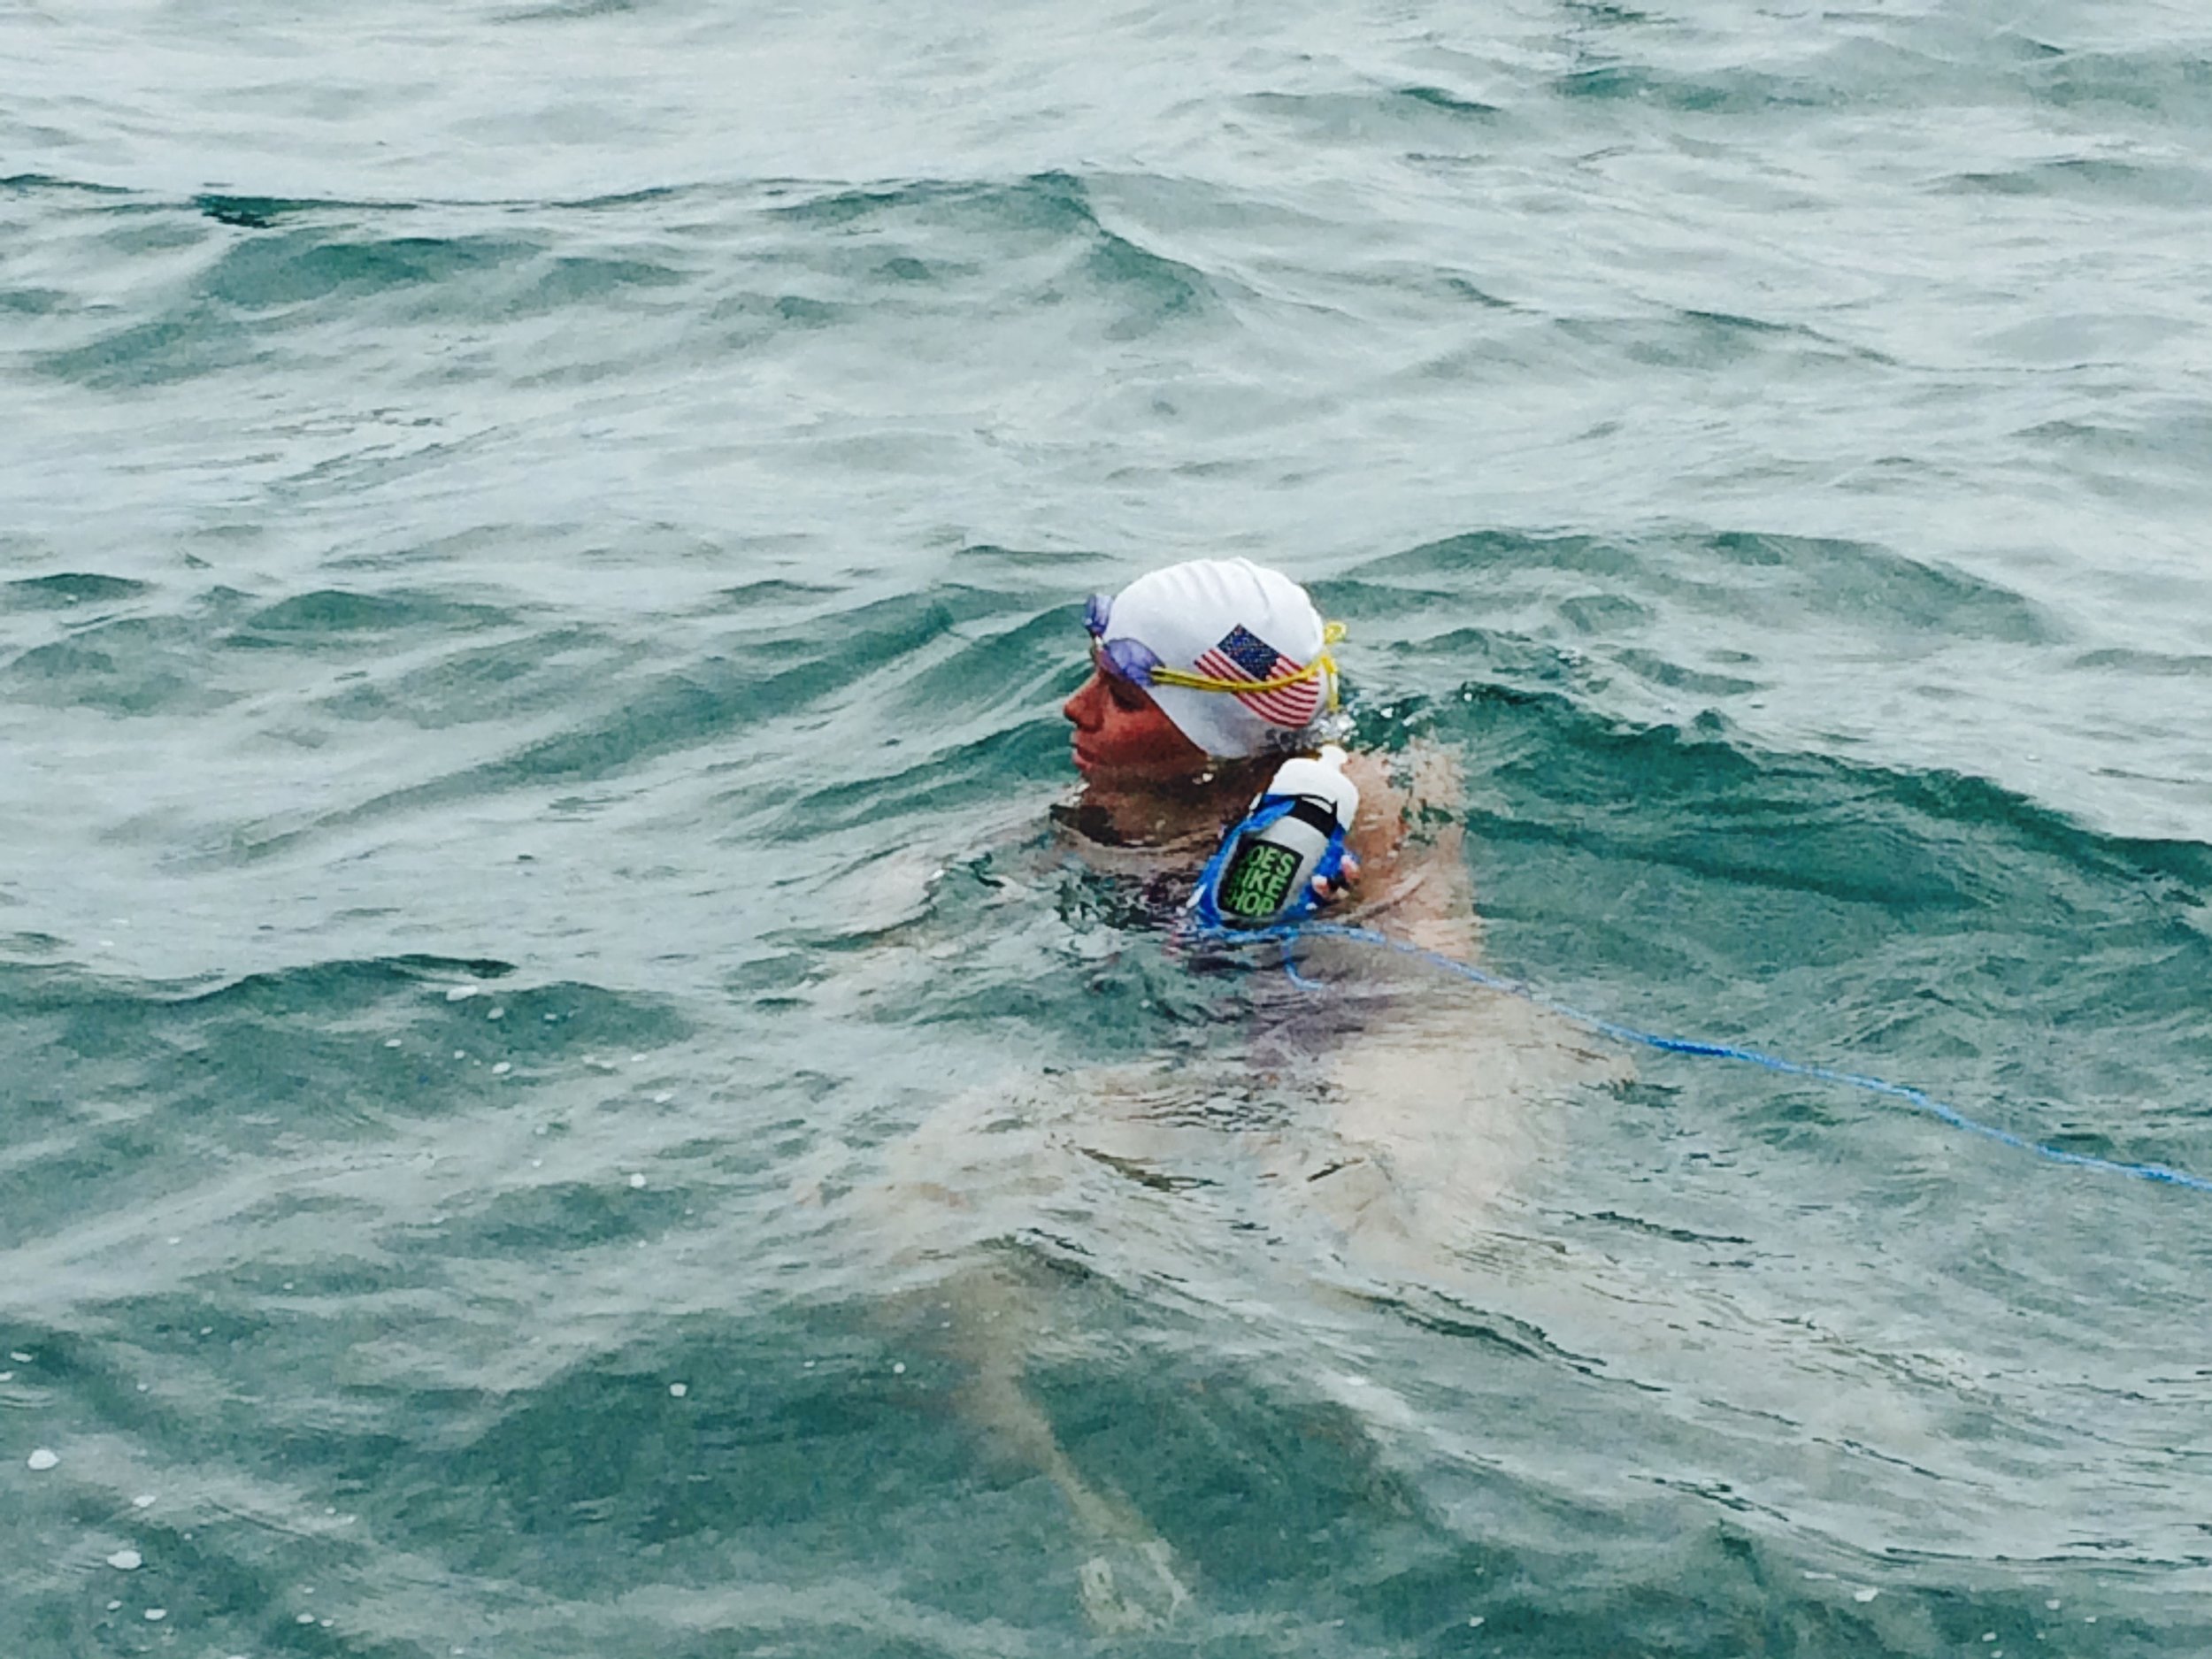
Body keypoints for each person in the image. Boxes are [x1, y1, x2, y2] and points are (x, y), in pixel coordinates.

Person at [843, 557, 1617, 1632]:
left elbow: (1408, 829)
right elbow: (926, 895)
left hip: (1401, 1041)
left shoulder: (1372, 798)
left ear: (1213, 740)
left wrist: (1352, 892)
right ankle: (1075, 1503)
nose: (1072, 711)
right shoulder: (1110, 807)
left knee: (1376, 1257)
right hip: (1201, 1071)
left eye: (1118, 698)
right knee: (913, 1219)